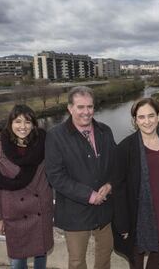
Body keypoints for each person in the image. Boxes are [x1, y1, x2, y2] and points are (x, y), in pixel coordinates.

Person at [45, 86, 116, 269]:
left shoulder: (105, 131)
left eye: (90, 107)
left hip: (104, 208)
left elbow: (116, 165)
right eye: (80, 107)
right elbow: (55, 176)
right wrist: (89, 195)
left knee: (105, 253)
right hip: (74, 211)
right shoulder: (55, 136)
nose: (86, 112)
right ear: (70, 108)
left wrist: (110, 184)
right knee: (77, 261)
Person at [113, 97, 159, 269]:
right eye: (141, 117)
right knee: (136, 259)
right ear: (135, 120)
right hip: (138, 214)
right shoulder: (125, 148)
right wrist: (122, 224)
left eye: (151, 116)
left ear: (158, 116)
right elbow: (119, 189)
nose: (147, 121)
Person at [0, 104, 54, 269]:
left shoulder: (44, 144)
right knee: (17, 261)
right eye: (18, 121)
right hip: (15, 214)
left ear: (34, 124)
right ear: (10, 123)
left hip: (40, 211)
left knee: (41, 254)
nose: (23, 126)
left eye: (28, 122)